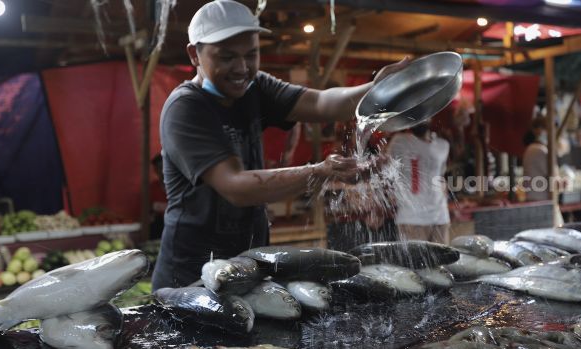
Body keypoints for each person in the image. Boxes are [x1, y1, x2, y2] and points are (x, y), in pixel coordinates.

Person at [151, 0, 410, 290]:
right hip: (190, 277)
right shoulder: (186, 107)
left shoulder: (255, 87)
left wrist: (376, 89)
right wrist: (322, 171)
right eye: (226, 57)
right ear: (194, 55)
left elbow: (322, 103)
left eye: (252, 54)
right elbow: (236, 186)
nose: (241, 68)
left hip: (246, 266)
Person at [386, 122, 450, 245]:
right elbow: (384, 169)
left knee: (444, 262)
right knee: (415, 263)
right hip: (411, 217)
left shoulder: (443, 145)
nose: (421, 119)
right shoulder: (400, 141)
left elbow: (441, 178)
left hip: (440, 216)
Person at [150, 154, 167, 239]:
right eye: (159, 168)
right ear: (155, 171)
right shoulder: (152, 188)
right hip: (158, 228)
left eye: (163, 167)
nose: (162, 171)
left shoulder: (179, 186)